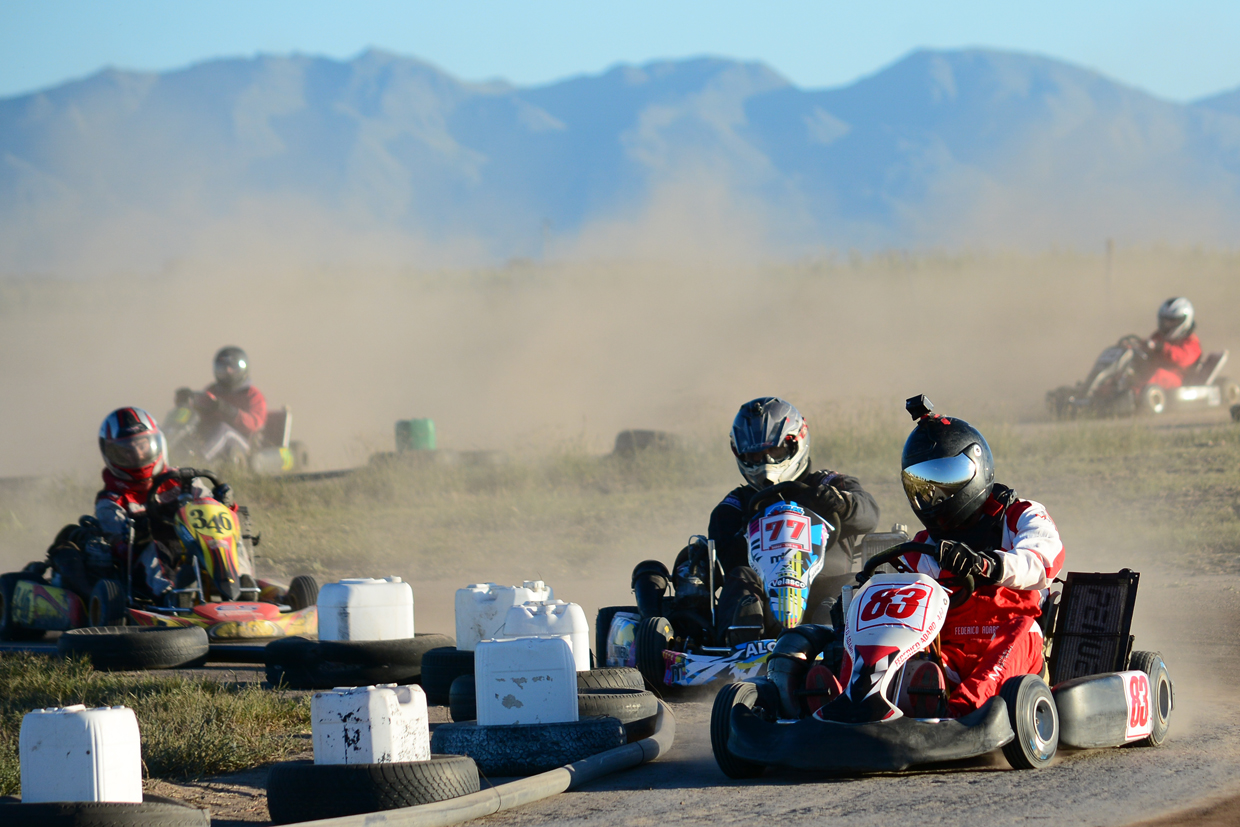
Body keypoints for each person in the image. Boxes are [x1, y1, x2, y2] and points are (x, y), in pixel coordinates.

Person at [630, 397, 880, 645]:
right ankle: (740, 648)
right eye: (756, 455)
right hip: (764, 596)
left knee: (853, 584)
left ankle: (831, 640)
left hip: (823, 587)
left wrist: (841, 504)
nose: (767, 462)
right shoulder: (738, 502)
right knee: (741, 577)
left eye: (775, 450)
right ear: (740, 454)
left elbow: (869, 514)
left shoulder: (829, 485)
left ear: (796, 442)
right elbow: (723, 550)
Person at [887, 395, 1064, 718]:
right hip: (950, 649)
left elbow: (1042, 562)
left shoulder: (1020, 516)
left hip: (1012, 645)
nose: (933, 495)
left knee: (1023, 631)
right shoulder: (926, 545)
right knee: (902, 643)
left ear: (976, 469)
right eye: (922, 485)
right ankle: (857, 701)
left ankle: (961, 716)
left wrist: (986, 563)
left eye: (944, 480)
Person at [177, 346, 268, 463]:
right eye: (223, 367)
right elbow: (200, 410)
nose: (228, 371)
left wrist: (228, 410)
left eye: (233, 367)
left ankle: (198, 463)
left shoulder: (252, 394)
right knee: (187, 425)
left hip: (244, 444)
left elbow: (254, 425)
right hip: (211, 437)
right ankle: (166, 453)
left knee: (224, 430)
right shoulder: (213, 390)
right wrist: (188, 400)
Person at [1140, 297, 1201, 391]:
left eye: (1172, 322)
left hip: (1178, 378)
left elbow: (1183, 358)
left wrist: (1161, 347)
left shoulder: (1191, 342)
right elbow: (1151, 345)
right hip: (1154, 373)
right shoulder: (1159, 336)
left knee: (1158, 374)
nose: (1167, 325)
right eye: (1165, 321)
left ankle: (1135, 394)